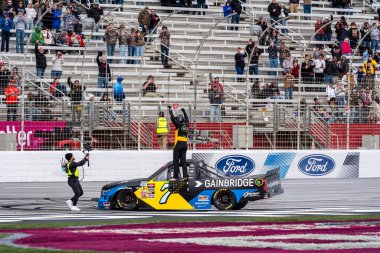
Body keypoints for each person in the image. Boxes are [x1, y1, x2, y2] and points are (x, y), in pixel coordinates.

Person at [168, 105, 189, 181]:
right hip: (185, 145)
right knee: (183, 161)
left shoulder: (178, 125)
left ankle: (175, 177)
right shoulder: (187, 124)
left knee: (176, 161)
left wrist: (170, 111)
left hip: (178, 145)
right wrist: (183, 110)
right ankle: (185, 176)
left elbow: (172, 119)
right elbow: (187, 118)